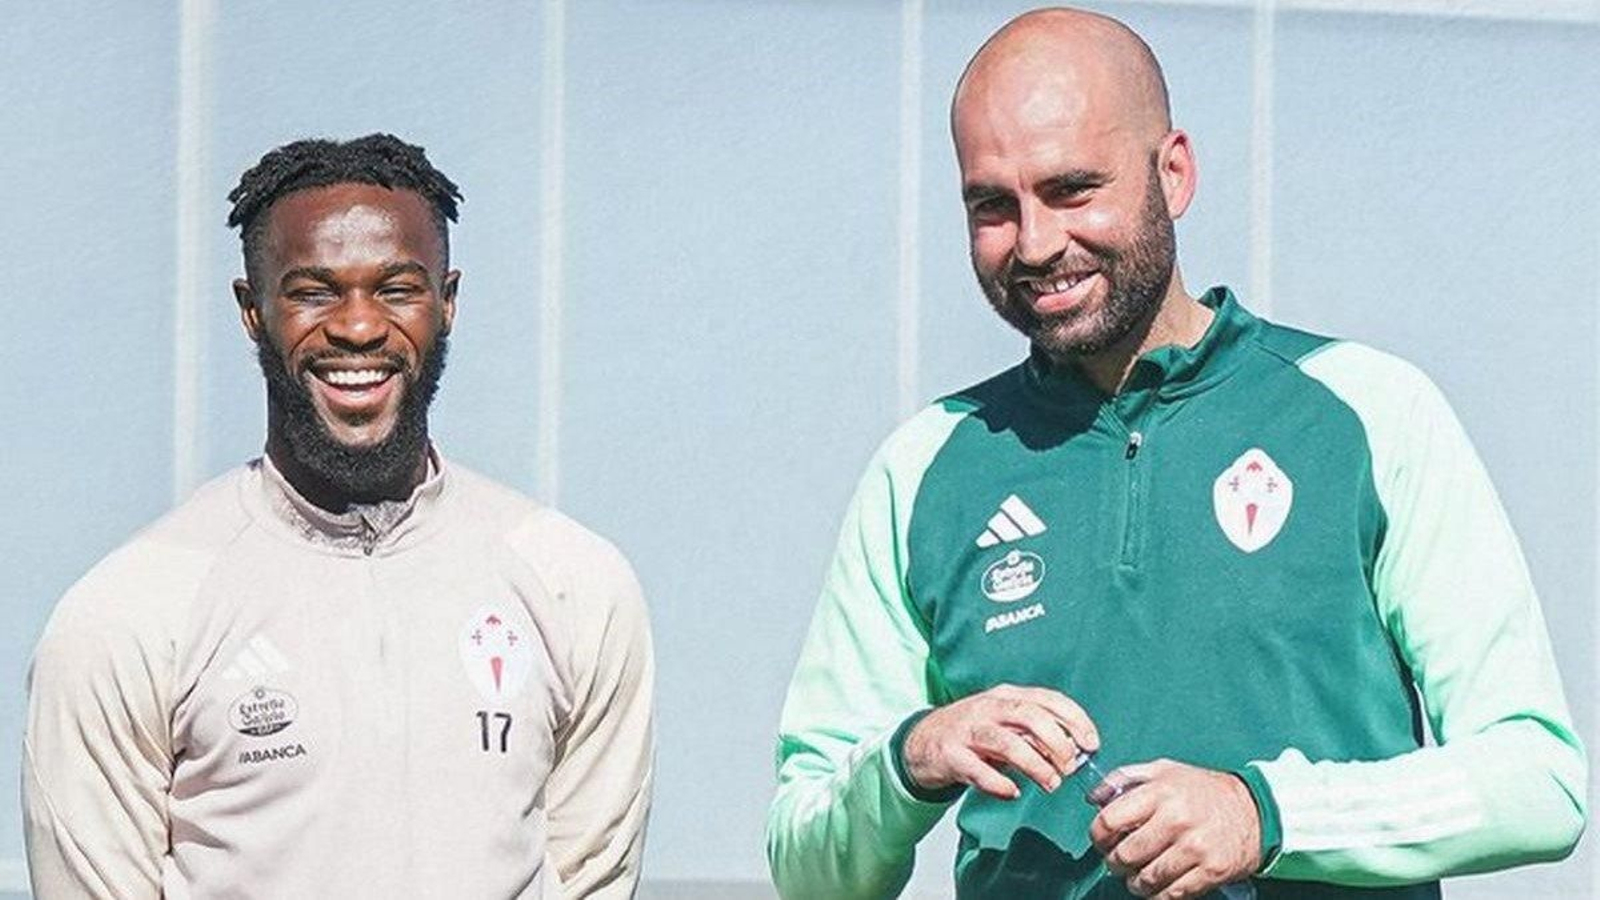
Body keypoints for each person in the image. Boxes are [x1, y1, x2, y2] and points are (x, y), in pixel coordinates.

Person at [767, 9, 1585, 900]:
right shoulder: (924, 467)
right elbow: (811, 874)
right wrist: (912, 758)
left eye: (1073, 189)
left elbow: (1537, 783)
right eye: (993, 206)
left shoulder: (1371, 411)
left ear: (1174, 173)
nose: (1036, 244)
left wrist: (1264, 814)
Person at [23, 134, 654, 899]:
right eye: (314, 291)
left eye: (396, 288)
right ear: (252, 310)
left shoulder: (573, 585)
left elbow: (593, 877)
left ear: (446, 301)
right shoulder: (128, 614)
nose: (358, 327)